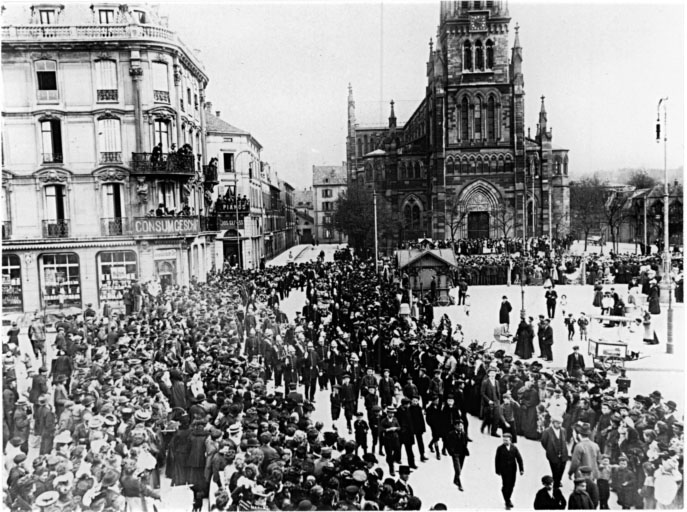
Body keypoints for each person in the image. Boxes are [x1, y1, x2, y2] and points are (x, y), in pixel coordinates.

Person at [494, 433, 524, 510]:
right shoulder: (500, 448)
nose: (505, 441)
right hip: (504, 470)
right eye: (504, 440)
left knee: (512, 485)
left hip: (513, 470)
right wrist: (497, 470)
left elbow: (519, 459)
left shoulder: (514, 448)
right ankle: (507, 501)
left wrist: (521, 469)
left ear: (510, 440)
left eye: (506, 440)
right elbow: (497, 460)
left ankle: (507, 498)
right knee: (506, 485)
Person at [445, 419, 469, 491]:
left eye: (461, 425)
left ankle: (455, 479)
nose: (460, 427)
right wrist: (451, 452)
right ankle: (459, 483)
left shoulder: (464, 434)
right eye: (458, 425)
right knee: (457, 469)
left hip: (462, 453)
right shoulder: (451, 434)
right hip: (455, 453)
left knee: (460, 468)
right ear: (455, 426)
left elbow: (465, 442)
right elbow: (447, 444)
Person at [480, 367, 501, 437]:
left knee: (496, 417)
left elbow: (498, 392)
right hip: (488, 402)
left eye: (494, 373)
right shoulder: (485, 382)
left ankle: (493, 432)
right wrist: (488, 400)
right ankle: (483, 426)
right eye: (491, 373)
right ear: (488, 374)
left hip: (496, 401)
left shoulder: (497, 382)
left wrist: (499, 401)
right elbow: (482, 393)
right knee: (488, 417)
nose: (493, 375)